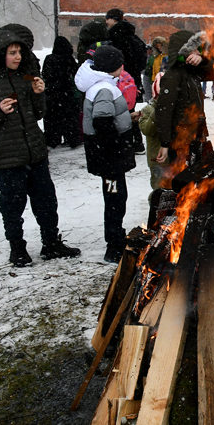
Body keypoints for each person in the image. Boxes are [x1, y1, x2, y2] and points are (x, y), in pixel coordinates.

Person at [0, 28, 80, 266]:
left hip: (35, 152)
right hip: (7, 157)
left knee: (46, 201)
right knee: (12, 206)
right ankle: (17, 248)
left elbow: (38, 113)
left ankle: (51, 243)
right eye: (12, 53)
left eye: (19, 52)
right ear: (0, 54)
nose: (17, 57)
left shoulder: (26, 78)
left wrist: (39, 94)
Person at [76, 45, 136, 263]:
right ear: (113, 67)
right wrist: (115, 150)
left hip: (108, 156)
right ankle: (113, 244)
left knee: (116, 196)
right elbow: (102, 123)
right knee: (114, 198)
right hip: (109, 158)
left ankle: (116, 235)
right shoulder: (104, 89)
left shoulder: (103, 85)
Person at [155, 30, 214, 179]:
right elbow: (163, 112)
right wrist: (165, 143)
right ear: (184, 49)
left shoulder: (192, 70)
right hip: (180, 142)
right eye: (194, 48)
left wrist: (203, 59)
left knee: (195, 178)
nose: (197, 51)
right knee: (181, 180)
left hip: (195, 137)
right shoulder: (173, 75)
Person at [105, 8, 147, 153]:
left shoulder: (114, 38)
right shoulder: (134, 38)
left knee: (118, 112)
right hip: (132, 82)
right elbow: (142, 61)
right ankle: (136, 142)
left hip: (118, 80)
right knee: (130, 110)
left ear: (115, 20)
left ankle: (125, 143)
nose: (106, 22)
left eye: (108, 18)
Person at [42, 36, 82, 149]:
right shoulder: (69, 59)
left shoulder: (49, 58)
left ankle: (53, 139)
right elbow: (76, 73)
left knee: (53, 117)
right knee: (69, 117)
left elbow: (45, 74)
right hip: (66, 91)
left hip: (52, 92)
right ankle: (72, 138)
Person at [139, 73, 169, 192]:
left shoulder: (175, 109)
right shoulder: (147, 110)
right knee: (159, 190)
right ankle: (156, 208)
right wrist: (157, 112)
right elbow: (147, 130)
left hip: (173, 158)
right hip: (157, 160)